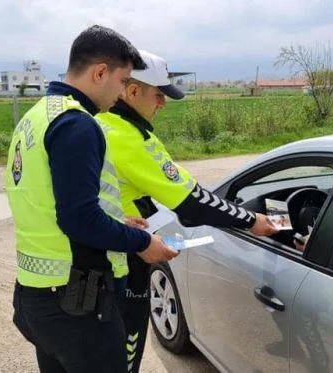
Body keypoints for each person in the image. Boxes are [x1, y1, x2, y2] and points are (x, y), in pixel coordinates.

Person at [5, 26, 178, 373]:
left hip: (36, 294)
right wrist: (142, 241)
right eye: (121, 80)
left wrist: (117, 224)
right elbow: (79, 219)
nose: (121, 93)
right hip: (77, 302)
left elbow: (55, 204)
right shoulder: (78, 125)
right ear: (100, 72)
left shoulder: (37, 115)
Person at [95, 50, 279, 373]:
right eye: (158, 95)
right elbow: (191, 199)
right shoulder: (128, 138)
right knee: (123, 357)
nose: (163, 104)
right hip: (123, 266)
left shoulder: (102, 124)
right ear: (132, 91)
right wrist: (251, 220)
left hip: (100, 260)